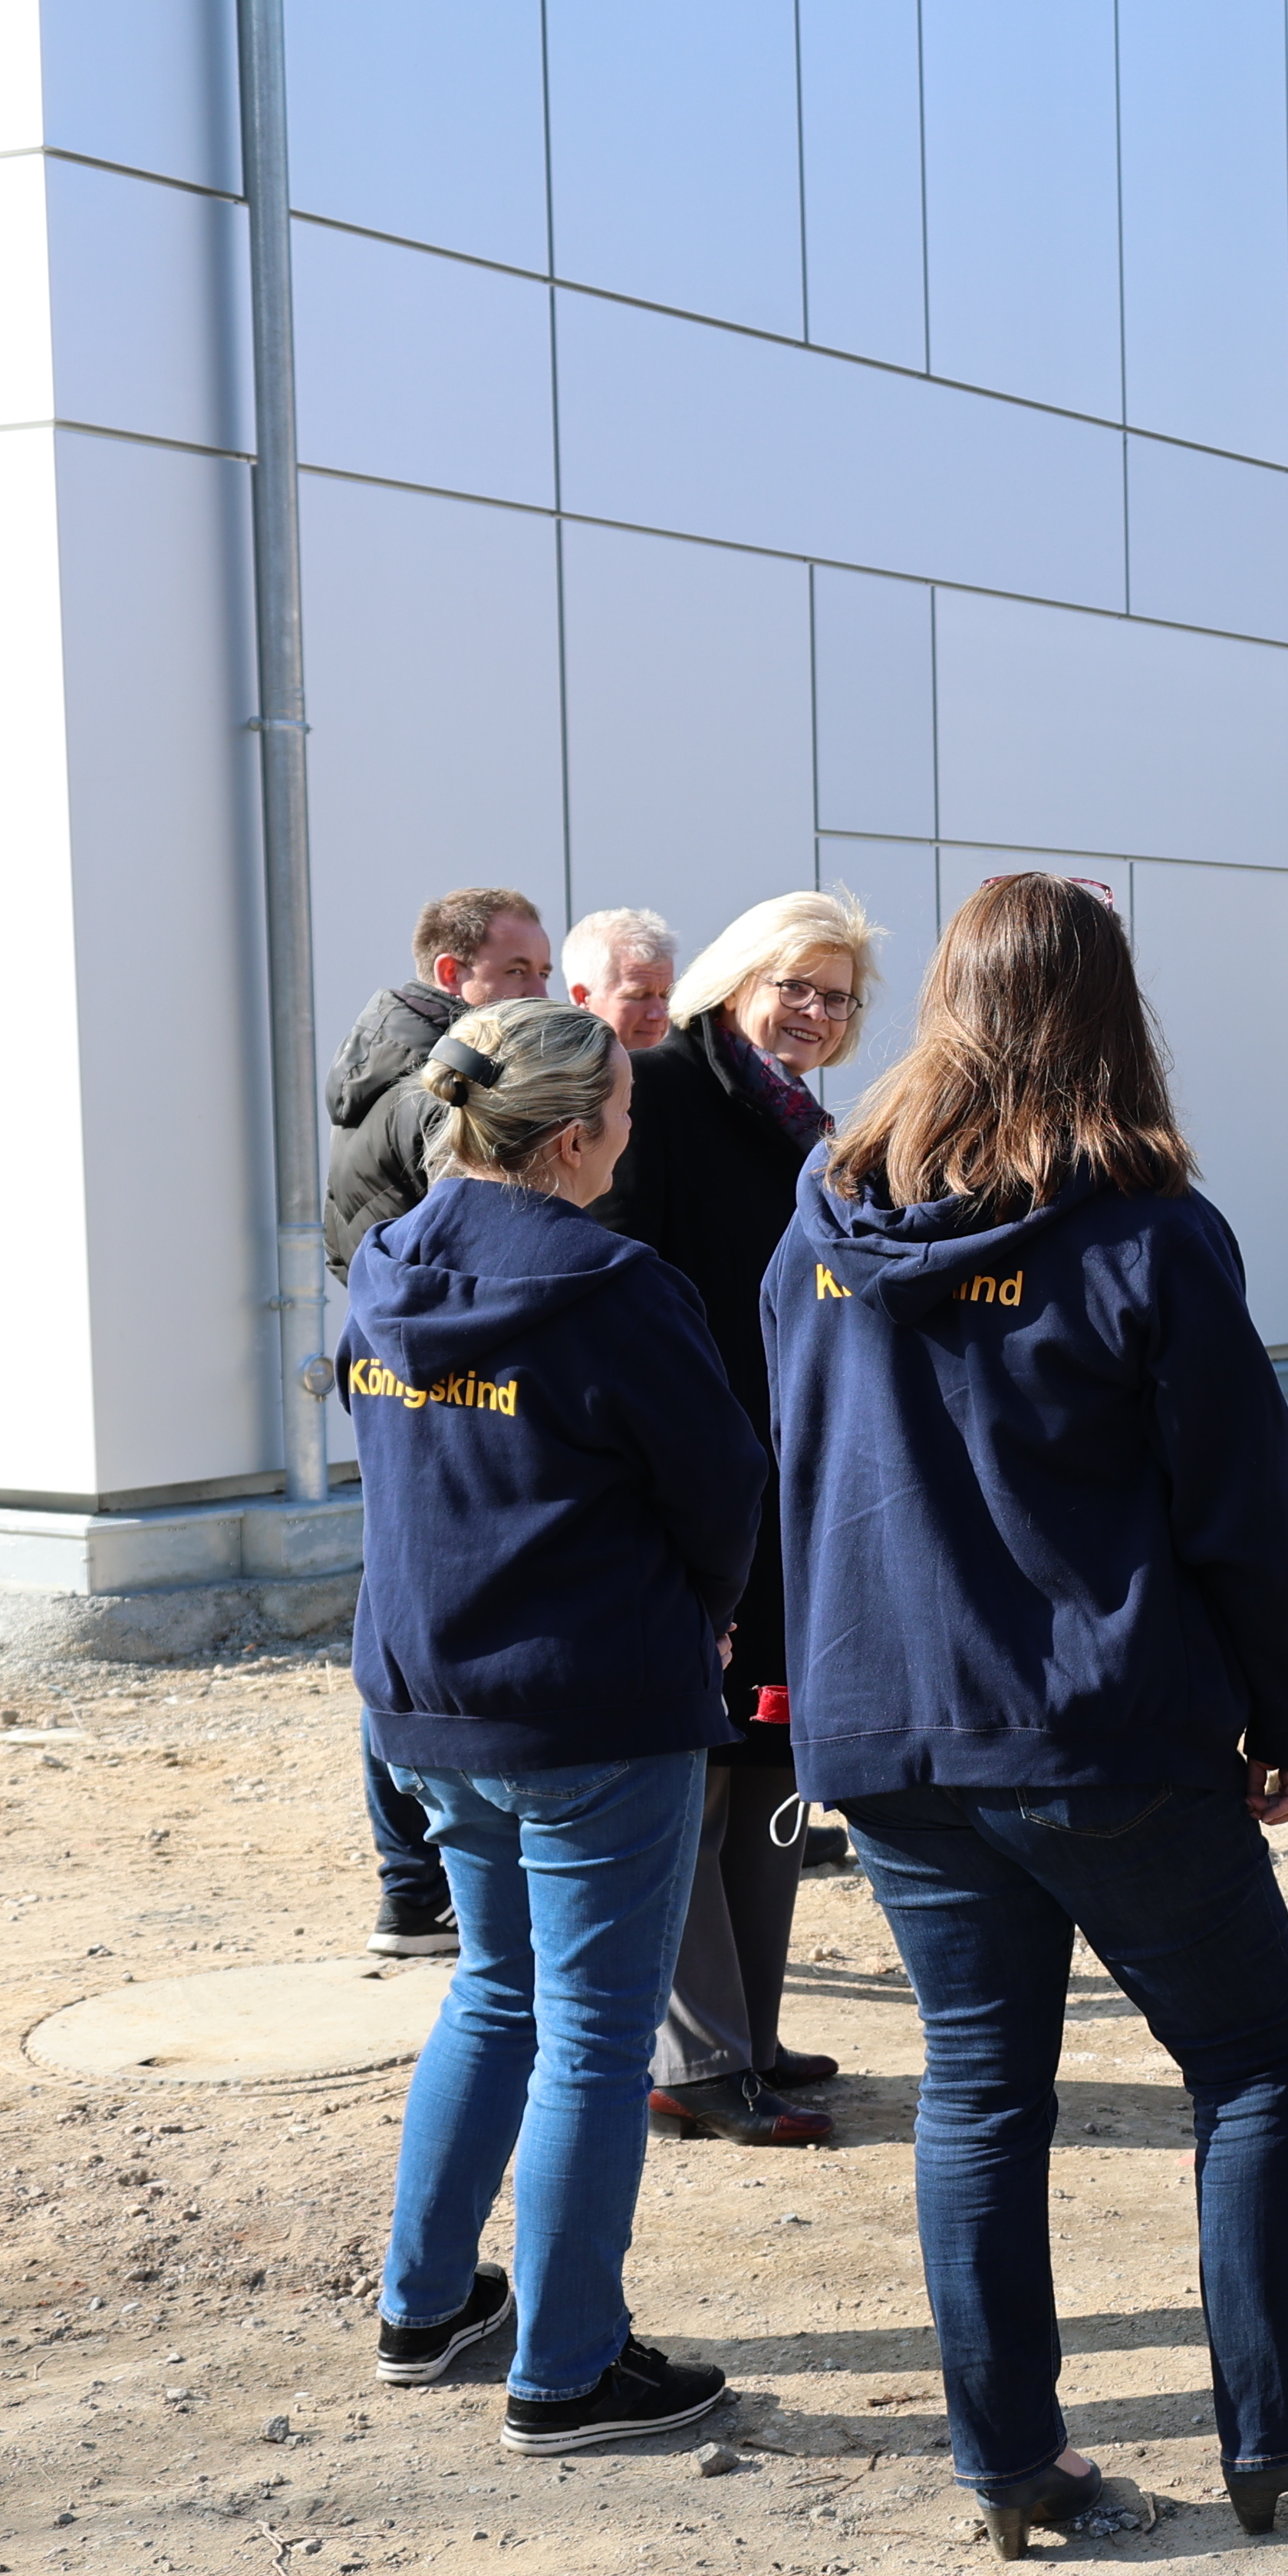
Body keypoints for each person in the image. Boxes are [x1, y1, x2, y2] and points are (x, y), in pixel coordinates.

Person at [764, 872, 1288, 2558]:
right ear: (1109, 1011)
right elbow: (1240, 1509)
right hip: (1092, 1731)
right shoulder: (1145, 1231)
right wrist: (1281, 1714)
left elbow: (799, 1468)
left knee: (981, 2092)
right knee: (1252, 2064)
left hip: (895, 1729)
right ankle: (1285, 2433)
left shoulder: (823, 1222)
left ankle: (1012, 2463)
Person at [347, 995, 761, 2455]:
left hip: (429, 1694)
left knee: (494, 1990)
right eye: (626, 1121)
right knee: (592, 2034)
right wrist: (709, 1613)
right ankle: (567, 2369)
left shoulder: (386, 1261)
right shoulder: (615, 1285)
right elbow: (722, 1486)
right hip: (592, 1701)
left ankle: (423, 2306)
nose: (631, 1144)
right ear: (575, 1138)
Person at [595, 890, 884, 2148]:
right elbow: (618, 1293)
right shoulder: (659, 1092)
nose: (814, 1012)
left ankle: (749, 2033)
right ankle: (694, 2061)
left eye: (838, 997)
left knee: (770, 1763)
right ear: (735, 981)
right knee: (699, 1777)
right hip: (695, 1482)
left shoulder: (810, 1126)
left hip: (787, 1489)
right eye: (794, 987)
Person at [326, 884, 556, 1963]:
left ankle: (413, 1889)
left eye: (544, 971)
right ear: (455, 976)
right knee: (419, 1624)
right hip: (451, 1387)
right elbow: (471, 1247)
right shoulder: (441, 1092)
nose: (541, 990)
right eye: (519, 972)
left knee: (401, 1618)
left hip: (405, 1377)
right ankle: (422, 1884)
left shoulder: (385, 1070)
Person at [565, 907, 680, 1052]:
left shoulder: (691, 1065)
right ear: (582, 997)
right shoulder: (549, 1065)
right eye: (638, 996)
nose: (659, 1014)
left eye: (665, 996)